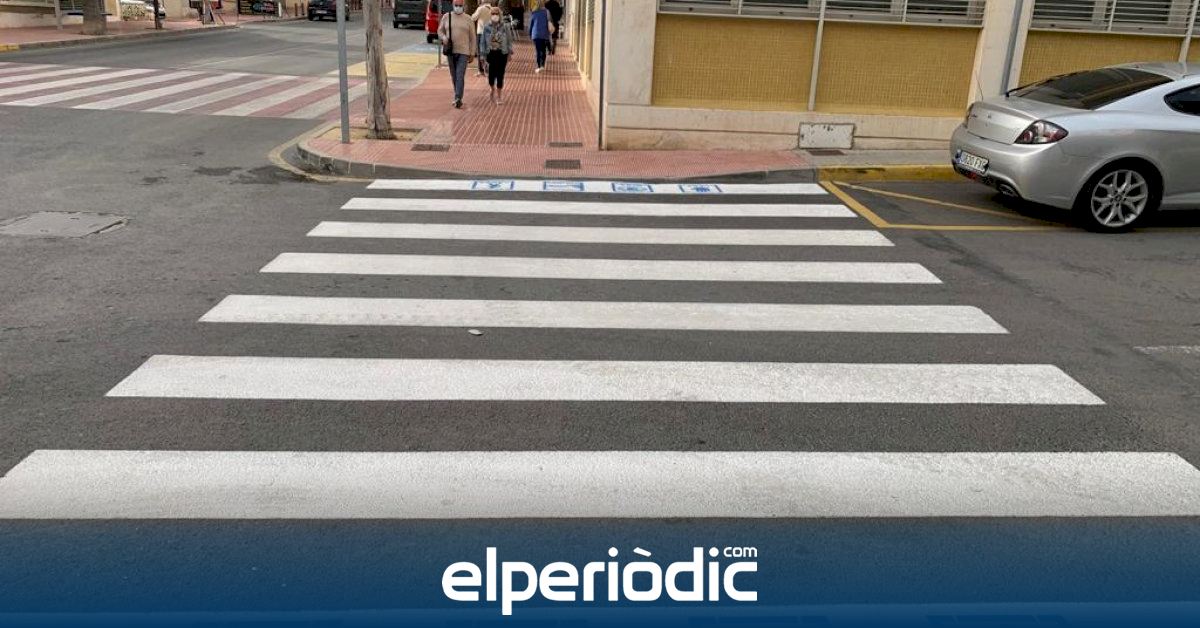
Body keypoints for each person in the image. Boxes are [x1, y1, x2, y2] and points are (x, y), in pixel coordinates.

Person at [438, 0, 477, 109]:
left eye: (460, 5)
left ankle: (458, 97)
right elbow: (440, 31)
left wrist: (472, 52)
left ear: (463, 6)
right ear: (453, 5)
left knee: (460, 74)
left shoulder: (468, 19)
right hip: (451, 51)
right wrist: (444, 37)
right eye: (456, 5)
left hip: (464, 52)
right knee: (454, 75)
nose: (458, 7)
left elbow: (473, 38)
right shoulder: (447, 17)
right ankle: (457, 94)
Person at [480, 6, 514, 104]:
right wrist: (482, 55)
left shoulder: (505, 26)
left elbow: (509, 40)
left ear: (500, 15)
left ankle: (499, 96)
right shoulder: (486, 27)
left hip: (502, 53)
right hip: (490, 53)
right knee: (491, 74)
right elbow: (482, 42)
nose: (495, 15)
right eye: (493, 14)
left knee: (500, 74)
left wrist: (510, 53)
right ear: (490, 15)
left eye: (496, 13)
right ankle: (492, 88)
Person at [470, 0, 493, 76]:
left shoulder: (480, 9)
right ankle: (489, 69)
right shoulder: (492, 9)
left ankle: (481, 70)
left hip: (481, 32)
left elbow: (473, 18)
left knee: (479, 51)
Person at [528, 0, 551, 74]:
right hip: (544, 34)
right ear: (543, 4)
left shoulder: (534, 13)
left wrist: (530, 34)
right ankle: (542, 65)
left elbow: (531, 25)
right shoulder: (547, 12)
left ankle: (538, 66)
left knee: (538, 50)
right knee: (543, 50)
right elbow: (549, 22)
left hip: (536, 34)